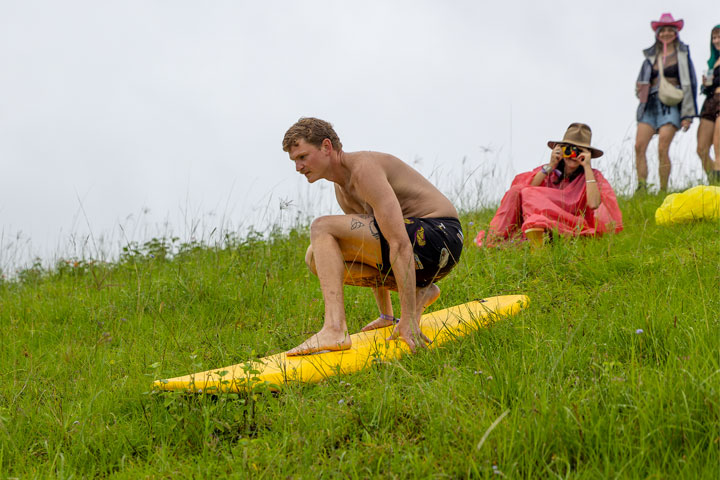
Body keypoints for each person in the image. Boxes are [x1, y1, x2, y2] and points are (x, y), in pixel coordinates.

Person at [281, 117, 463, 355]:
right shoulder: (342, 188)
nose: (298, 167)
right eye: (294, 161)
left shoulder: (364, 169)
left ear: (326, 147)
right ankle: (422, 290)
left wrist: (407, 320)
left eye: (302, 157)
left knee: (322, 227)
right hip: (420, 252)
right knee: (315, 256)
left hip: (440, 236)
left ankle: (334, 329)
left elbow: (398, 242)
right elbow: (369, 249)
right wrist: (387, 316)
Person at [474, 123, 623, 247]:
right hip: (538, 222)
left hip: (571, 224)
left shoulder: (592, 175)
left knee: (528, 196)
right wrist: (551, 165)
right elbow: (525, 191)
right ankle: (495, 238)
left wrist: (587, 167)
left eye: (578, 151)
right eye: (568, 149)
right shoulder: (550, 171)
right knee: (517, 191)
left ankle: (529, 237)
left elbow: (594, 204)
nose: (573, 155)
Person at [634, 13, 698, 193]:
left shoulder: (682, 55)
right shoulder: (649, 59)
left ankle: (663, 189)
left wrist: (687, 115)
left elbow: (690, 84)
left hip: (671, 105)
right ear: (658, 33)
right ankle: (642, 187)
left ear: (676, 33)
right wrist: (640, 90)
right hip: (649, 105)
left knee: (663, 146)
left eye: (671, 30)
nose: (667, 34)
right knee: (639, 146)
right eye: (663, 30)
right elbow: (639, 83)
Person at [696, 25, 720, 183]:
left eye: (719, 36)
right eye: (714, 38)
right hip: (711, 102)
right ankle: (715, 181)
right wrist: (705, 85)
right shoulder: (713, 62)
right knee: (702, 148)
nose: (716, 40)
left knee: (719, 145)